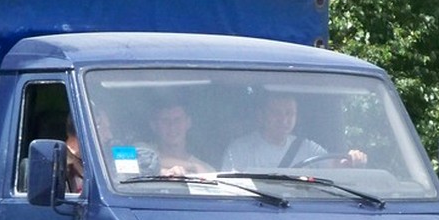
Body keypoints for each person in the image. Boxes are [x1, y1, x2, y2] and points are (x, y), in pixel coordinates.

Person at [221, 94, 366, 171]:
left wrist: (352, 160)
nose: (283, 120)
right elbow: (229, 191)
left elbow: (334, 167)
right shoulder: (240, 149)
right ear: (261, 116)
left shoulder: (308, 148)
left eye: (289, 113)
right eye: (276, 113)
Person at [148, 102, 213, 175]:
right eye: (165, 120)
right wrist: (193, 167)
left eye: (177, 120)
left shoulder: (206, 170)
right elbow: (144, 160)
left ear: (188, 123)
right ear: (154, 125)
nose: (172, 127)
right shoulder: (142, 150)